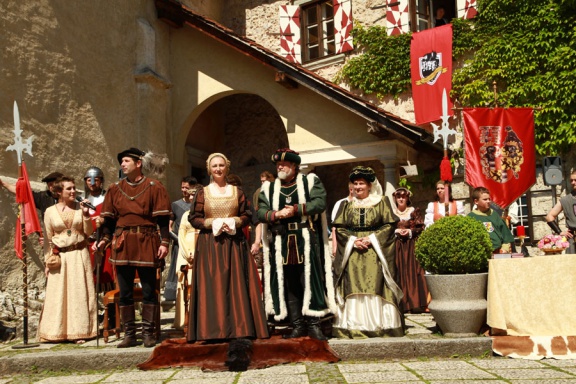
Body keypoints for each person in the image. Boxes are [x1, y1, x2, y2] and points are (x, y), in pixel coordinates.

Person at [187, 153, 268, 371]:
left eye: (222, 165)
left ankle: (239, 326)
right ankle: (212, 329)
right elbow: (193, 218)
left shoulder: (237, 192)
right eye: (214, 165)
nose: (218, 169)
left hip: (234, 245)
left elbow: (248, 214)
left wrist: (233, 221)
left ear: (227, 167)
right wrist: (214, 223)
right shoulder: (202, 193)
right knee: (212, 285)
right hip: (210, 245)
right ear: (208, 168)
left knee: (236, 285)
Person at [258, 148, 336, 341]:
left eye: (284, 164)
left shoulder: (310, 182)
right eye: (278, 165)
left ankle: (314, 323)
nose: (280, 167)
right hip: (281, 240)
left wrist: (295, 210)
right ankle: (297, 324)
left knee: (310, 280)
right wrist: (276, 215)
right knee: (289, 282)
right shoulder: (268, 188)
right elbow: (260, 212)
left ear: (294, 166)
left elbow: (319, 203)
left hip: (306, 238)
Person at [97, 147, 171, 348]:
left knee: (148, 290)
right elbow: (109, 221)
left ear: (138, 163)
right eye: (121, 161)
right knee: (126, 291)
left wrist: (164, 243)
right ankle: (130, 335)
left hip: (147, 241)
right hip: (123, 243)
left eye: (126, 161)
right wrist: (104, 239)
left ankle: (148, 334)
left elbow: (163, 220)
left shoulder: (154, 187)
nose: (122, 164)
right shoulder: (114, 189)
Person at [332, 166, 403, 338]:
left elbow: (389, 225)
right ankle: (353, 325)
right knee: (353, 284)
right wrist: (353, 241)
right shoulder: (345, 205)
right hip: (352, 252)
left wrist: (371, 239)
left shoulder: (382, 201)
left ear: (369, 185)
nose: (358, 187)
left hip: (374, 250)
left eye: (361, 184)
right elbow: (339, 228)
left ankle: (378, 325)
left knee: (375, 283)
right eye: (355, 184)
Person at [37, 176, 97, 343]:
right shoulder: (50, 212)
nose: (73, 191)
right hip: (61, 256)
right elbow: (49, 239)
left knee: (78, 294)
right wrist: (48, 261)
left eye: (74, 188)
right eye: (69, 189)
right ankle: (57, 332)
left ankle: (80, 332)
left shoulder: (80, 208)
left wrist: (86, 215)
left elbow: (89, 232)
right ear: (58, 192)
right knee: (59, 295)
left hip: (78, 254)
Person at [1, 171, 63, 247]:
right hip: (51, 245)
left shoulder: (73, 201)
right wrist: (4, 184)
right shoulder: (44, 197)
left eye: (52, 185)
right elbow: (23, 193)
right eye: (49, 185)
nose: (51, 188)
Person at [392, 187, 428, 313]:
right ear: (395, 198)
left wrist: (409, 231)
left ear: (407, 198)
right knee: (398, 270)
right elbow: (386, 228)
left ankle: (414, 303)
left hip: (411, 245)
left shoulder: (413, 212)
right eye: (398, 197)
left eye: (403, 196)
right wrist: (395, 231)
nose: (401, 199)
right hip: (396, 246)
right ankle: (400, 303)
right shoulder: (391, 212)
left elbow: (420, 227)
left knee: (412, 271)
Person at [164, 176, 198, 303]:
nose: (184, 190)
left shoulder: (200, 204)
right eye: (182, 187)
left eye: (187, 188)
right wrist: (177, 239)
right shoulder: (175, 205)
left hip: (196, 242)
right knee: (178, 268)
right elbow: (169, 226)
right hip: (180, 242)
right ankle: (174, 294)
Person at [83, 166, 115, 292]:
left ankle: (110, 311)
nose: (92, 183)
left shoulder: (108, 199)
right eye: (89, 180)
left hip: (104, 243)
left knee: (106, 278)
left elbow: (113, 221)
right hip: (86, 244)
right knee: (87, 279)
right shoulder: (81, 200)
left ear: (101, 181)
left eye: (96, 179)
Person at [173, 185, 201, 330]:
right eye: (190, 196)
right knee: (185, 283)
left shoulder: (205, 214)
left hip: (201, 250)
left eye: (194, 195)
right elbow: (181, 235)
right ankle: (184, 319)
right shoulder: (185, 215)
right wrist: (187, 254)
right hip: (187, 251)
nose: (192, 198)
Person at [468, 186, 515, 253]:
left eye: (489, 199)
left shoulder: (494, 214)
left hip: (498, 252)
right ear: (476, 201)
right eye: (485, 199)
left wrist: (504, 249)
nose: (488, 201)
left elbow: (505, 235)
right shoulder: (470, 218)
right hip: (481, 254)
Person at [545, 170, 576, 254]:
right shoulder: (565, 200)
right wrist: (560, 232)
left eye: (575, 180)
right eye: (571, 180)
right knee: (571, 265)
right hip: (573, 240)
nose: (573, 182)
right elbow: (549, 217)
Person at [250, 171, 275, 266]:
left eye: (264, 181)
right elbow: (256, 207)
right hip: (262, 221)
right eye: (261, 181)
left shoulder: (275, 190)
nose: (262, 183)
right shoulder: (258, 191)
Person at [331, 182, 354, 257]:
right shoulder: (340, 203)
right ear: (351, 190)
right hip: (343, 241)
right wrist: (335, 247)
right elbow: (335, 227)